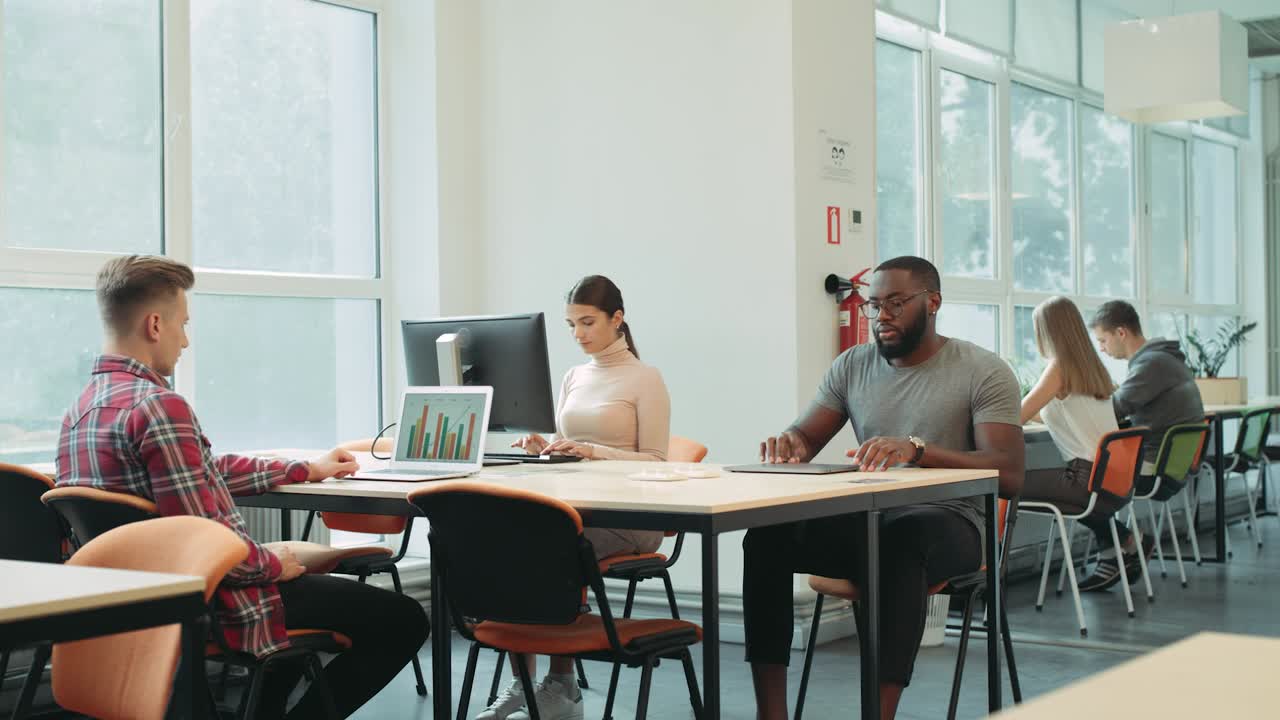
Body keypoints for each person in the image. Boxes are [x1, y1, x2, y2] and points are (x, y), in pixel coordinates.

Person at [55, 255, 428, 719]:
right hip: (216, 599)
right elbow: (202, 537)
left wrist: (303, 469)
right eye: (182, 325)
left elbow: (201, 469)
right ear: (155, 324)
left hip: (140, 604)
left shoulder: (80, 411)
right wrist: (277, 563)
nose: (186, 340)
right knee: (404, 620)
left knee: (310, 604)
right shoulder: (160, 407)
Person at [745, 256, 1024, 720]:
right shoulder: (853, 365)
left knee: (902, 537)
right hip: (871, 518)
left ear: (932, 302)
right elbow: (806, 439)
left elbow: (1008, 472)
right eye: (873, 306)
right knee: (767, 535)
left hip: (954, 522)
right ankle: (770, 714)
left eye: (895, 303)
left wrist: (918, 449)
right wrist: (790, 442)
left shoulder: (982, 370)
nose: (882, 316)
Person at [482, 275, 671, 720]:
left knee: (546, 550)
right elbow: (565, 443)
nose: (579, 334)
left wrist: (593, 451)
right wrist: (544, 445)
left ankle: (561, 687)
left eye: (587, 322)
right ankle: (525, 684)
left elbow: (658, 462)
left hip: (631, 519)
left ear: (617, 319)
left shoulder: (645, 378)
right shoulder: (574, 376)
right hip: (575, 510)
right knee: (511, 545)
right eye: (571, 325)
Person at [1019, 297, 1145, 592]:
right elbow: (1060, 414)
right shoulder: (1092, 368)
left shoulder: (1058, 367)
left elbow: (1017, 414)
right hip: (1112, 481)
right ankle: (1120, 543)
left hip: (1085, 480)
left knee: (1001, 484)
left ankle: (986, 580)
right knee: (1070, 499)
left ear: (1046, 332)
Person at [1089, 300, 1204, 569]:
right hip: (1171, 466)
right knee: (1085, 479)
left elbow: (1116, 408)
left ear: (1121, 333)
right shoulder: (1164, 360)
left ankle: (1125, 546)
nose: (1102, 349)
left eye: (1103, 341)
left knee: (1081, 486)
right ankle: (1118, 552)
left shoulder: (1152, 364)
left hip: (1154, 470)